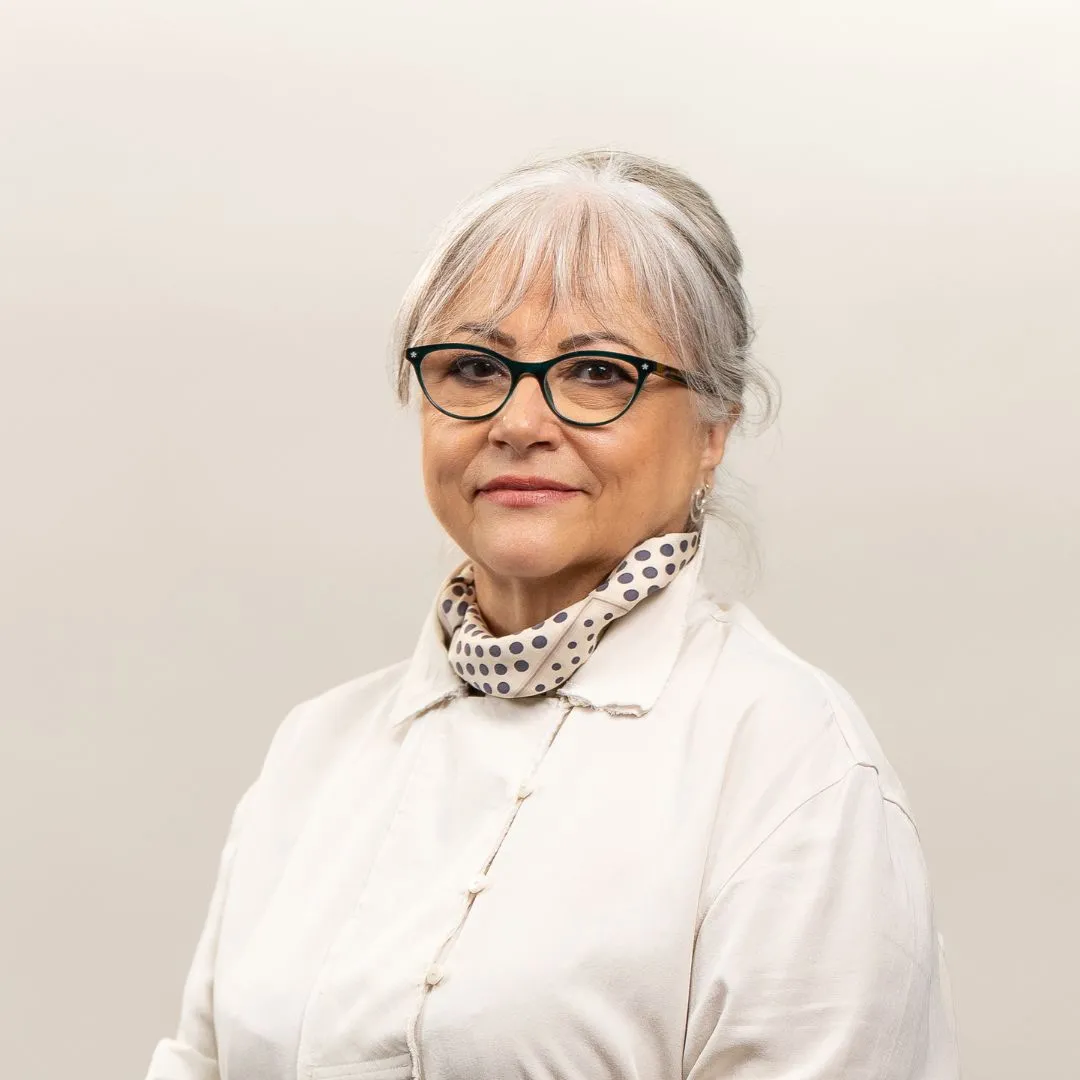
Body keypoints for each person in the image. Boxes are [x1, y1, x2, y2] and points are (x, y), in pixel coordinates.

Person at [145, 149, 959, 1079]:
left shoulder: (789, 765)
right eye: (473, 365)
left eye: (599, 372)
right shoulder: (313, 751)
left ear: (714, 428)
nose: (521, 421)